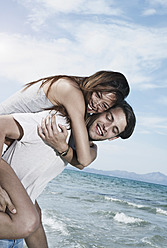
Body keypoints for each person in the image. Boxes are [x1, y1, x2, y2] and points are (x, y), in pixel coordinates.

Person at [0, 101, 136, 248]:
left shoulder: (83, 149)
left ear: (113, 138)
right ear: (101, 110)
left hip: (15, 233)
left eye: (114, 129)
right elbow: (2, 125)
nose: (106, 127)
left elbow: (84, 160)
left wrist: (62, 147)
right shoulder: (58, 123)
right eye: (109, 117)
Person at [0, 71, 130, 170]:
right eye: (98, 95)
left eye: (104, 106)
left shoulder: (79, 102)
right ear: (95, 82)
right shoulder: (71, 92)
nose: (96, 104)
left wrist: (92, 151)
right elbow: (83, 160)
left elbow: (80, 163)